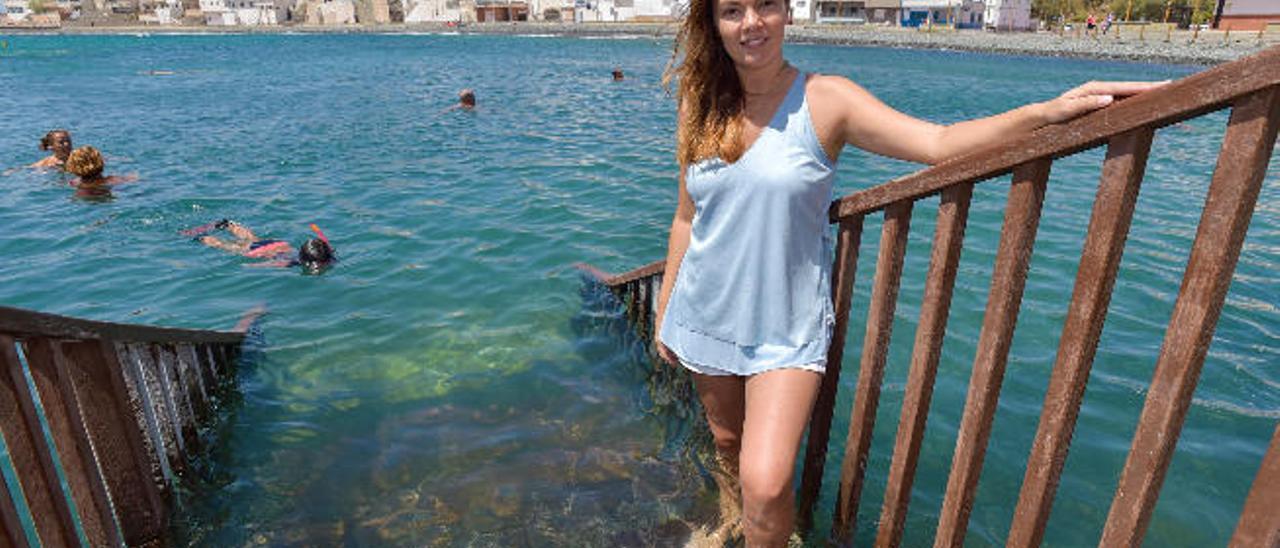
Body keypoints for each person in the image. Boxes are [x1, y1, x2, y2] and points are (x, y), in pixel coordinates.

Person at [652, 0, 1164, 544]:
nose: (751, 22)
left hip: (784, 328)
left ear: (787, 14)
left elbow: (937, 143)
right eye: (732, 10)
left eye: (766, 6)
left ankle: (755, 520)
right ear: (713, 24)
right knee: (727, 441)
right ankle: (733, 516)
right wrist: (667, 308)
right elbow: (687, 217)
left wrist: (1045, 111)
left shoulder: (826, 100)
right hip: (703, 309)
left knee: (768, 483)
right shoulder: (698, 103)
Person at [193, 220, 336, 272]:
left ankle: (227, 225)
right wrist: (252, 266)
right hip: (260, 251)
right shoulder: (291, 263)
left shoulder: (324, 253)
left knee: (252, 238)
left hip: (278, 244)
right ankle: (202, 238)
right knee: (227, 246)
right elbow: (271, 264)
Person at [63, 146, 136, 198]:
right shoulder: (113, 180)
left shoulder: (73, 183)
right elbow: (135, 179)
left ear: (73, 166)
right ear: (100, 161)